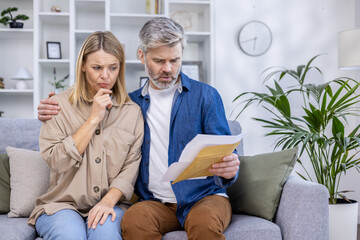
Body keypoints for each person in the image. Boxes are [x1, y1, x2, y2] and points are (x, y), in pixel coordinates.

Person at [38, 17, 240, 240]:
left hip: (203, 196)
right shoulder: (133, 104)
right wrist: (52, 108)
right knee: (134, 223)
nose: (168, 68)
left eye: (175, 60)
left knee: (204, 225)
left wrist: (230, 169)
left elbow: (225, 152)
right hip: (155, 202)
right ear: (142, 56)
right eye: (159, 60)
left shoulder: (206, 97)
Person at [29, 31, 144, 240]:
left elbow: (130, 168)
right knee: (70, 236)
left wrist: (108, 201)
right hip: (62, 205)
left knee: (105, 236)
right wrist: (93, 119)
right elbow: (57, 161)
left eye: (113, 68)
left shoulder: (132, 112)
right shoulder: (58, 106)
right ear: (83, 65)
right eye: (97, 67)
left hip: (112, 204)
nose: (105, 76)